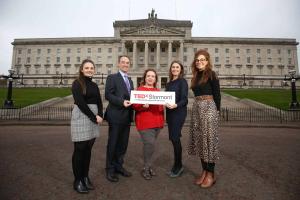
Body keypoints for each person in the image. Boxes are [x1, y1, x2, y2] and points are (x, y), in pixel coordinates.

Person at [188, 49, 221, 188]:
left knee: (209, 142)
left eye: (202, 59)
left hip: (209, 108)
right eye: (197, 60)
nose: (199, 62)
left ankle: (211, 174)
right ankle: (204, 171)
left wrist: (216, 112)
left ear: (207, 61)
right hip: (197, 108)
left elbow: (217, 95)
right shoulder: (195, 77)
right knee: (200, 141)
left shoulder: (212, 75)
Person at [70, 59, 103, 194]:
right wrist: (93, 116)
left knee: (88, 148)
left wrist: (100, 114)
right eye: (87, 68)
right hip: (82, 115)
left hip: (94, 116)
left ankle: (85, 176)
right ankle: (77, 180)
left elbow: (99, 101)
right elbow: (80, 102)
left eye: (91, 68)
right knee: (80, 149)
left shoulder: (94, 85)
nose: (89, 70)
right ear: (82, 70)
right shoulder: (77, 83)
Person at [104, 55, 134, 182]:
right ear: (118, 64)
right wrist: (121, 102)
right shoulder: (112, 78)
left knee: (123, 144)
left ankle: (119, 166)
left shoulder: (130, 80)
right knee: (113, 143)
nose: (125, 64)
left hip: (127, 117)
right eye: (123, 62)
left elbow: (133, 98)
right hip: (115, 115)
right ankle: (110, 169)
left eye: (127, 63)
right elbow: (108, 95)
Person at [132, 69, 164, 180]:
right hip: (145, 122)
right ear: (145, 78)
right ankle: (146, 168)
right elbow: (135, 106)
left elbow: (160, 108)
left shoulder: (158, 91)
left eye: (153, 76)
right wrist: (142, 106)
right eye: (148, 76)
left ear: (155, 79)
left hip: (157, 122)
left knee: (151, 146)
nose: (150, 78)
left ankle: (148, 166)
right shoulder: (139, 90)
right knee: (149, 144)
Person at [165, 61, 188, 178]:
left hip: (178, 113)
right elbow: (165, 99)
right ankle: (177, 165)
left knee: (175, 139)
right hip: (170, 113)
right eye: (173, 67)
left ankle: (178, 166)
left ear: (181, 69)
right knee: (174, 139)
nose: (174, 69)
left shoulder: (182, 81)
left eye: (177, 67)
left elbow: (185, 100)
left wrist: (176, 105)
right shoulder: (169, 84)